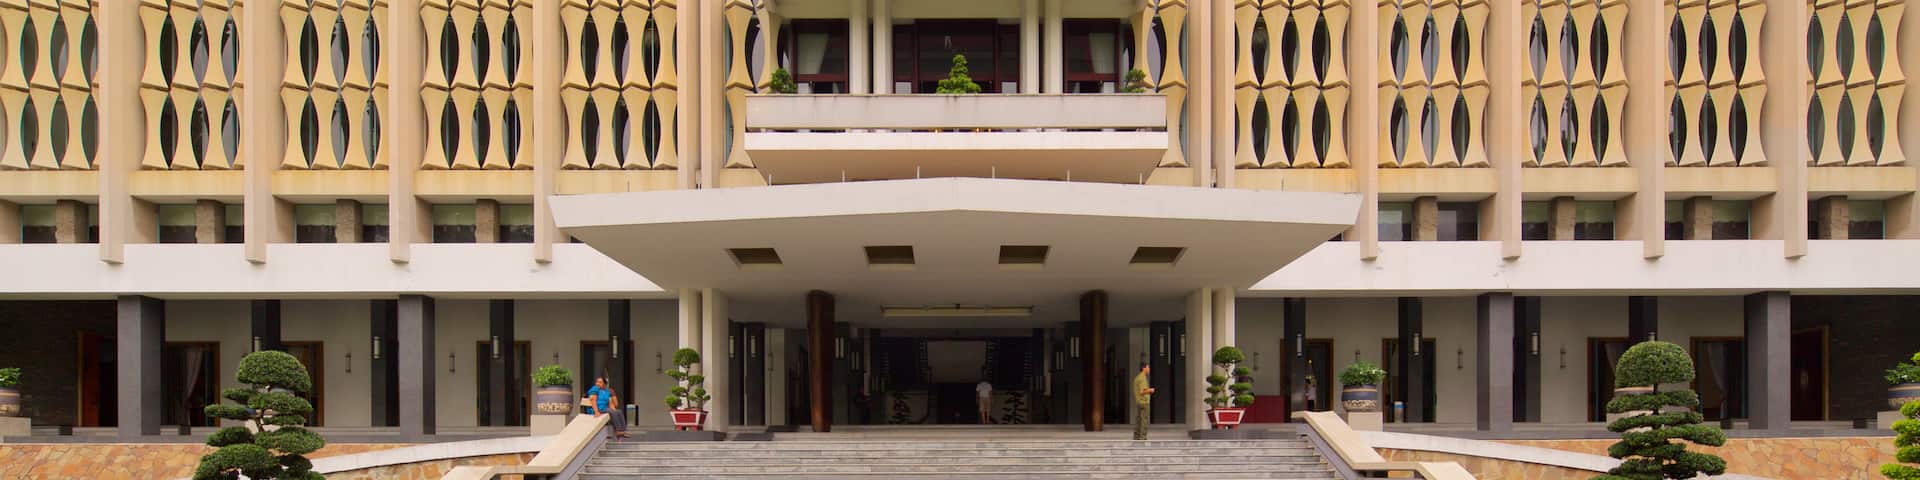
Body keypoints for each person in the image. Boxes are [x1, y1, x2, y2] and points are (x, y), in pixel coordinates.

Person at [1133, 363, 1155, 441]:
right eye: (1148, 367)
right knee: (1144, 420)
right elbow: (1142, 391)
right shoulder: (1143, 378)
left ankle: (1136, 437)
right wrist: (1151, 390)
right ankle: (1143, 438)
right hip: (1144, 402)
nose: (1149, 369)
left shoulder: (1137, 377)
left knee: (1138, 420)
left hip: (1139, 401)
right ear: (1144, 368)